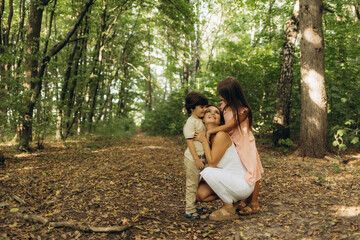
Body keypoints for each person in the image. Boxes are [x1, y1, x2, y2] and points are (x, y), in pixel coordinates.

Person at [205, 77, 264, 215]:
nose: (220, 96)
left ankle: (254, 202)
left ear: (231, 94)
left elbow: (231, 125)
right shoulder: (224, 106)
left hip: (244, 142)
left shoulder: (243, 111)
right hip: (232, 142)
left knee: (252, 169)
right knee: (242, 169)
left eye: (223, 94)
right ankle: (244, 199)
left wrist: (212, 131)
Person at [195, 105, 255, 221]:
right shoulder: (206, 136)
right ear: (203, 118)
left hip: (242, 183)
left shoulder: (221, 135)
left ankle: (228, 207)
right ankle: (234, 200)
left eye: (216, 112)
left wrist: (203, 141)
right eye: (208, 111)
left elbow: (211, 164)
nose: (212, 113)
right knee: (200, 194)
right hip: (228, 180)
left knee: (207, 171)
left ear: (220, 121)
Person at [183, 91, 208, 220]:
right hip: (193, 158)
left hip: (202, 157)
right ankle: (189, 210)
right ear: (192, 108)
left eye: (205, 107)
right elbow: (190, 142)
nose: (204, 110)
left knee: (198, 183)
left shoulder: (200, 121)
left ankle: (193, 205)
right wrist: (197, 159)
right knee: (192, 184)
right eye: (201, 107)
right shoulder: (191, 122)